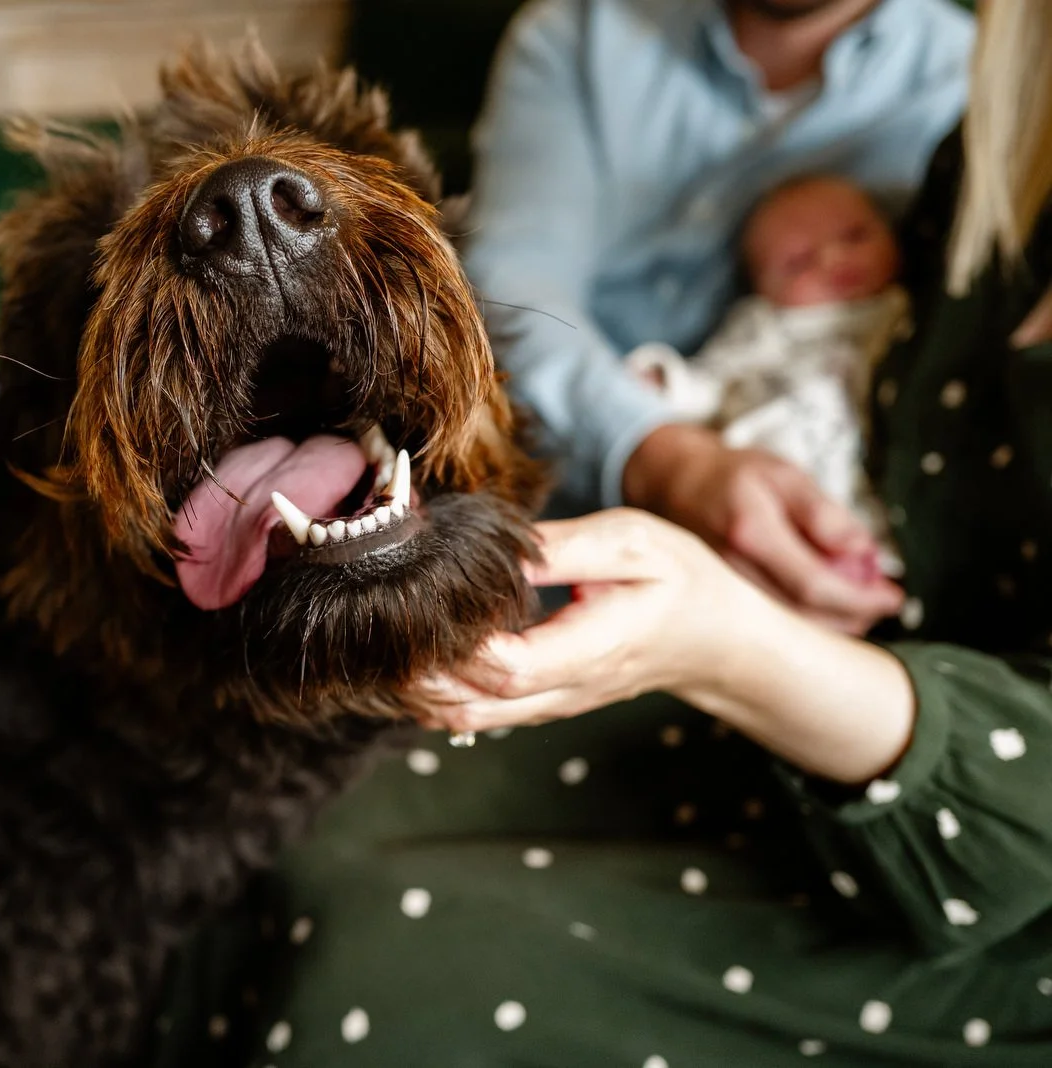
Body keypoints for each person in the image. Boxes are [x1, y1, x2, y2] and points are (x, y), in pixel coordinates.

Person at [146, 3, 1052, 1065]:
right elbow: (517, 295)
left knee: (382, 954)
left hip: (985, 842)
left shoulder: (940, 68)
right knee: (297, 827)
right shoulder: (997, 127)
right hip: (825, 634)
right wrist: (772, 515)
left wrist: (731, 637)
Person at [460, 0, 973, 634]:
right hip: (535, 497)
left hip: (826, 544)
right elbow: (510, 285)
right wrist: (663, 457)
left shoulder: (966, 80)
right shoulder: (581, 31)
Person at [626, 174, 910, 583]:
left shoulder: (899, 312)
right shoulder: (763, 325)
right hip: (763, 461)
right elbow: (714, 379)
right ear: (761, 287)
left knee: (864, 521)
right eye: (799, 262)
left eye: (854, 237)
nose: (832, 259)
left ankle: (869, 565)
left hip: (858, 471)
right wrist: (668, 381)